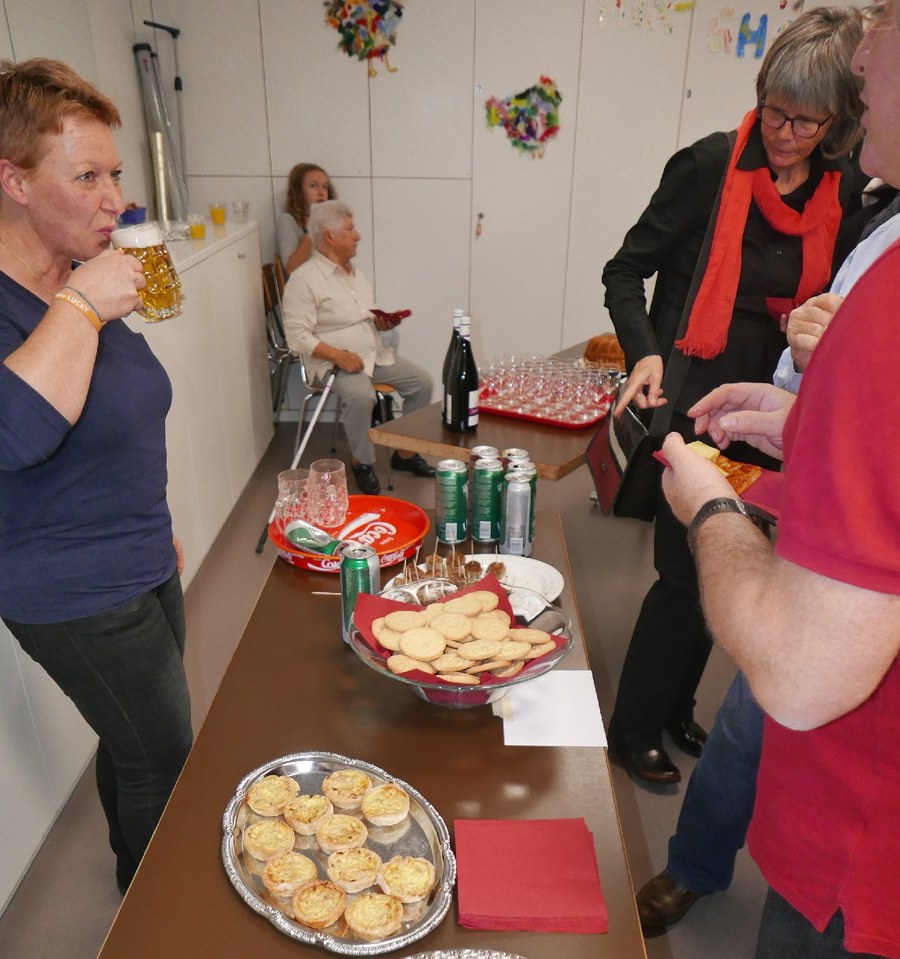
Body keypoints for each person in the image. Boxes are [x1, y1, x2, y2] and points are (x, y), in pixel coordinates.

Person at [658, 4, 900, 954]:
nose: (868, 53)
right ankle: (692, 861)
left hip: (862, 845)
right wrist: (809, 419)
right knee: (737, 736)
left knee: (757, 702)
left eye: (885, 24)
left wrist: (712, 507)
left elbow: (801, 676)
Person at [602, 6, 864, 785]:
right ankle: (634, 725)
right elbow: (624, 270)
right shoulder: (710, 165)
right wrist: (642, 355)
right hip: (688, 406)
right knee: (684, 576)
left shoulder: (838, 193)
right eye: (776, 111)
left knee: (733, 569)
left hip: (768, 415)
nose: (785, 134)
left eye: (807, 122)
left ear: (836, 125)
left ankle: (679, 705)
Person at [0, 59, 193, 894]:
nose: (115, 197)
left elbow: (120, 419)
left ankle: (133, 886)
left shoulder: (83, 268)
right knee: (166, 758)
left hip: (142, 558)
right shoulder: (63, 291)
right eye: (87, 176)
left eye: (115, 172)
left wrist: (155, 525)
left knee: (136, 745)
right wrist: (79, 305)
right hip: (69, 586)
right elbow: (16, 432)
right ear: (13, 181)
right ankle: (161, 921)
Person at [282, 199, 434, 495]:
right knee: (362, 396)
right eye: (350, 229)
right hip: (332, 362)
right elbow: (297, 337)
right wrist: (338, 355)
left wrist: (381, 323)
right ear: (329, 236)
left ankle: (404, 454)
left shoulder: (354, 273)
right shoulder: (304, 280)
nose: (357, 235)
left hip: (372, 355)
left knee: (422, 383)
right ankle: (361, 461)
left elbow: (366, 313)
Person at [277, 162, 335, 275]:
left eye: (324, 187)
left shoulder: (330, 221)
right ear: (299, 192)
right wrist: (313, 231)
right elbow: (291, 268)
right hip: (304, 289)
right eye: (313, 186)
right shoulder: (288, 221)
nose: (321, 192)